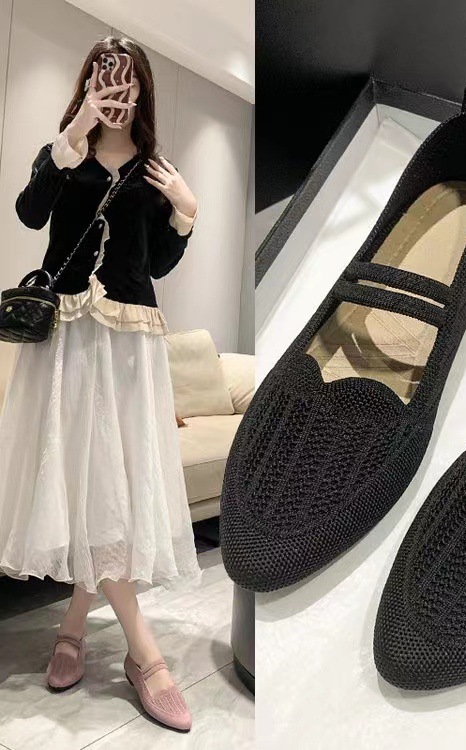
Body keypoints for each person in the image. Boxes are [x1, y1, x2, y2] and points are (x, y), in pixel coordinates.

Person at [0, 36, 201, 733]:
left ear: (142, 91)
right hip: (68, 340)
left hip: (129, 344)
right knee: (83, 479)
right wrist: (74, 134)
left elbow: (158, 264)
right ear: (88, 84)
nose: (116, 91)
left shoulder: (156, 170)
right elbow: (30, 214)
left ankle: (74, 627)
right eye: (102, 78)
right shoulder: (64, 153)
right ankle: (145, 654)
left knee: (109, 483)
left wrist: (185, 210)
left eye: (127, 82)